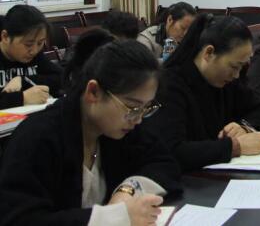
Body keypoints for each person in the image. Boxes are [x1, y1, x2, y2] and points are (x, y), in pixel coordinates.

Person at [0, 39, 182, 226]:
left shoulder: (120, 127)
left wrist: (128, 190)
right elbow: (20, 219)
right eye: (133, 107)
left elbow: (164, 163)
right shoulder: (38, 138)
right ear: (93, 92)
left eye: (146, 108)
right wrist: (113, 218)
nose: (138, 119)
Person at [144, 15, 260, 172]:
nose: (237, 75)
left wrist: (244, 127)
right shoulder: (170, 86)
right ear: (209, 53)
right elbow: (173, 150)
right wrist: (235, 146)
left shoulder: (226, 80)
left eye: (241, 68)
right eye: (234, 66)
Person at [0, 4, 61, 109]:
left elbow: (61, 77)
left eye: (40, 43)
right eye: (28, 44)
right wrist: (22, 98)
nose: (34, 50)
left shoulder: (35, 56)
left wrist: (24, 80)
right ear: (5, 37)